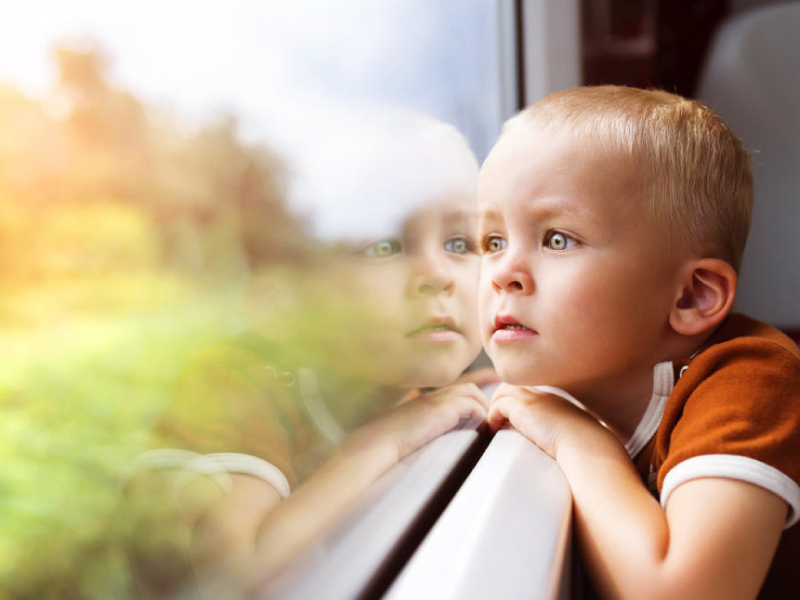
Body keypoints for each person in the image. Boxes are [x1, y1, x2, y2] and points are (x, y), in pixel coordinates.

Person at [125, 107, 495, 598]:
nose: (439, 273)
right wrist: (386, 440)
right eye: (384, 246)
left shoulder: (423, 370)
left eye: (460, 241)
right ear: (282, 302)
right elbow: (238, 570)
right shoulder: (236, 382)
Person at [478, 85, 800, 600]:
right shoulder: (590, 376)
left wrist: (577, 440)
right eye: (492, 242)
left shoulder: (754, 380)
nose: (502, 273)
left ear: (692, 296)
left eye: (558, 238)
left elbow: (681, 594)